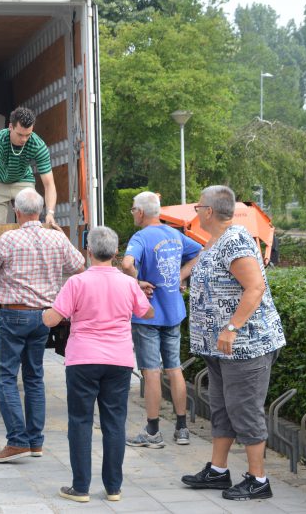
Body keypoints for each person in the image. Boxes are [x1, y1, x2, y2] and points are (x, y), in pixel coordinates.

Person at [181, 185, 286, 501]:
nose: (196, 211)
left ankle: (258, 479)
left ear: (210, 211)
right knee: (223, 408)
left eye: (198, 206)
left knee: (244, 408)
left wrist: (231, 327)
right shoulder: (215, 242)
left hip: (244, 345)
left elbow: (254, 287)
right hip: (219, 348)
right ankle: (218, 470)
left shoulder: (235, 241)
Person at [42, 226, 153, 503]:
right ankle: (113, 487)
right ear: (116, 253)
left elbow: (52, 319)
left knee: (80, 422)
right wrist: (143, 295)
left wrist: (46, 312)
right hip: (119, 361)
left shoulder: (77, 283)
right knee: (114, 423)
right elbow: (146, 313)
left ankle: (80, 488)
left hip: (83, 359)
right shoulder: (128, 283)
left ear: (88, 252)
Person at [0, 188, 85, 463]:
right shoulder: (56, 239)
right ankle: (35, 441)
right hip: (44, 317)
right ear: (39, 211)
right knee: (34, 377)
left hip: (14, 316)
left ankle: (17, 441)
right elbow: (79, 265)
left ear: (17, 211)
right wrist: (62, 237)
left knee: (4, 377)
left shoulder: (7, 239)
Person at [122, 191, 201, 448]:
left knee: (151, 371)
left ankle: (153, 430)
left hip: (148, 315)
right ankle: (181, 428)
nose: (132, 213)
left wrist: (137, 280)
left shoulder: (140, 237)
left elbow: (126, 264)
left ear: (141, 212)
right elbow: (200, 251)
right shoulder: (174, 235)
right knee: (174, 368)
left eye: (133, 209)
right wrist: (181, 275)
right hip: (173, 312)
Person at [0, 107, 57, 230]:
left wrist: (50, 213)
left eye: (28, 135)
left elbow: (49, 184)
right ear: (10, 127)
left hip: (23, 180)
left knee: (30, 224)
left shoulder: (38, 145)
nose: (24, 139)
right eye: (20, 134)